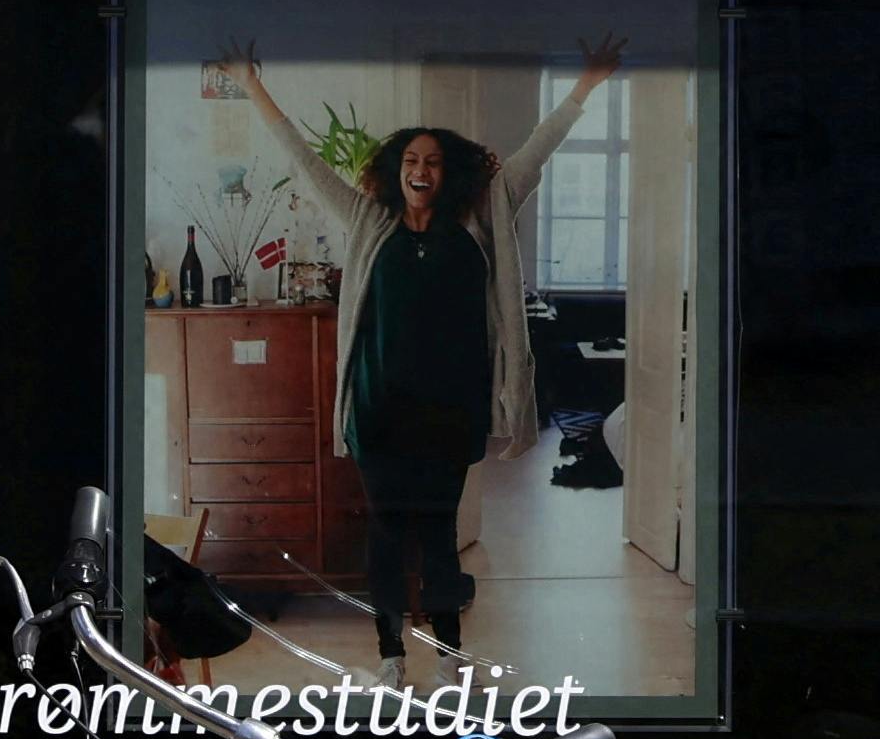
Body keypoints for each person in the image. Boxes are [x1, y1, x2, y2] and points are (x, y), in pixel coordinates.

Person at [221, 37, 620, 661]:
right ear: (396, 169)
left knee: (438, 536)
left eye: (433, 161)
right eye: (411, 159)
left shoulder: (483, 214)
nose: (422, 170)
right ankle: (391, 655)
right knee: (385, 535)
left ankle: (450, 652)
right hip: (379, 411)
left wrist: (586, 85)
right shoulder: (367, 220)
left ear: (448, 171)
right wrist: (251, 85)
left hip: (449, 413)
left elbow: (538, 148)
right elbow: (304, 159)